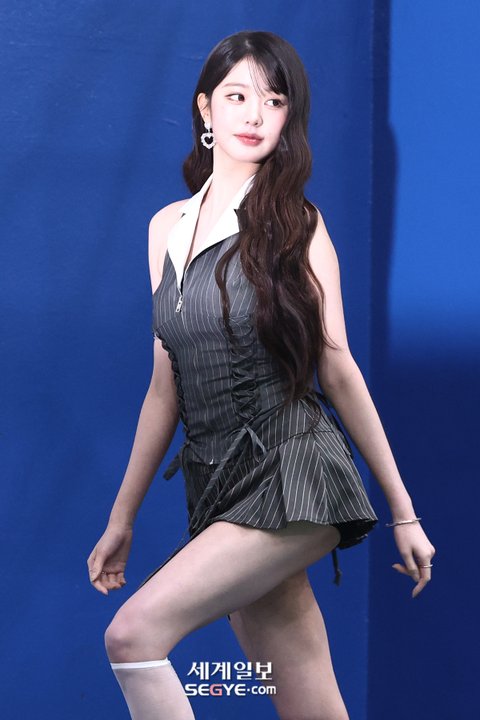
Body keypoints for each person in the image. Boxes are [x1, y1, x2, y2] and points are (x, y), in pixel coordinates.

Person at [87, 30, 435, 720]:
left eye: (274, 102)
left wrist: (404, 511)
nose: (254, 115)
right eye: (237, 97)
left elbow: (337, 366)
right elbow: (164, 387)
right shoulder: (165, 228)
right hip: (217, 485)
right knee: (312, 707)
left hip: (294, 473)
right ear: (205, 109)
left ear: (288, 119)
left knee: (132, 635)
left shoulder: (297, 223)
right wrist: (120, 520)